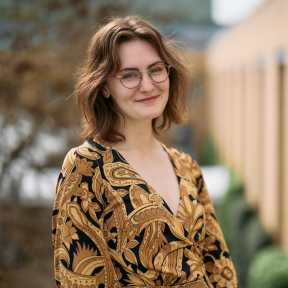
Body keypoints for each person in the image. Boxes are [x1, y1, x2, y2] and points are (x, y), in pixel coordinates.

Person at [52, 15, 238, 288]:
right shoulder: (85, 166)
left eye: (156, 69)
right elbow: (78, 279)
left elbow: (219, 266)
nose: (148, 85)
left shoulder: (186, 165)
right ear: (104, 86)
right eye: (129, 75)